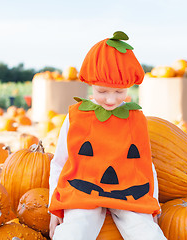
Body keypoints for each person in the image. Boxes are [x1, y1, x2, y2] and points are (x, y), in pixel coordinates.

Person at [48, 31, 166, 240]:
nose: (111, 101)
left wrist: (152, 205)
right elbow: (59, 162)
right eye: (102, 91)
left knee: (146, 232)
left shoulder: (136, 119)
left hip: (129, 190)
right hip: (83, 188)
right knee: (74, 229)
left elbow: (146, 166)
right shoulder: (75, 117)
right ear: (90, 83)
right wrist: (53, 206)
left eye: (120, 92)